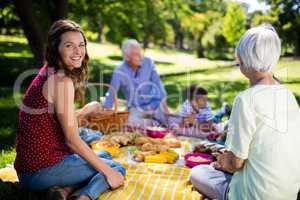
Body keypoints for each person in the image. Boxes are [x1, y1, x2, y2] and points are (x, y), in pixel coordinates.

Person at [14, 20, 125, 200]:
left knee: (103, 154)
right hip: (39, 171)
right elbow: (72, 141)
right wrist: (109, 173)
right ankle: (84, 197)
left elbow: (58, 119)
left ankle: (62, 191)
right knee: (115, 168)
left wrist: (85, 111)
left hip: (29, 167)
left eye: (81, 45)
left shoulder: (48, 71)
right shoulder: (61, 81)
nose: (78, 51)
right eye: (69, 45)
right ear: (55, 48)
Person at [189, 24, 300, 200]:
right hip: (287, 193)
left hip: (252, 195)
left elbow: (235, 163)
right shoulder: (288, 96)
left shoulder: (246, 99)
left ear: (245, 60)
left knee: (197, 172)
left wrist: (222, 161)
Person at [103, 39, 170, 127]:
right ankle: (154, 123)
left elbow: (158, 84)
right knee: (128, 121)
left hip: (154, 105)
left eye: (140, 53)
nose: (141, 57)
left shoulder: (148, 63)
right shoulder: (119, 71)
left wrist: (165, 105)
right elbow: (112, 92)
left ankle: (154, 122)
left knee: (169, 119)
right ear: (127, 57)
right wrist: (106, 110)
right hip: (135, 109)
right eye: (136, 54)